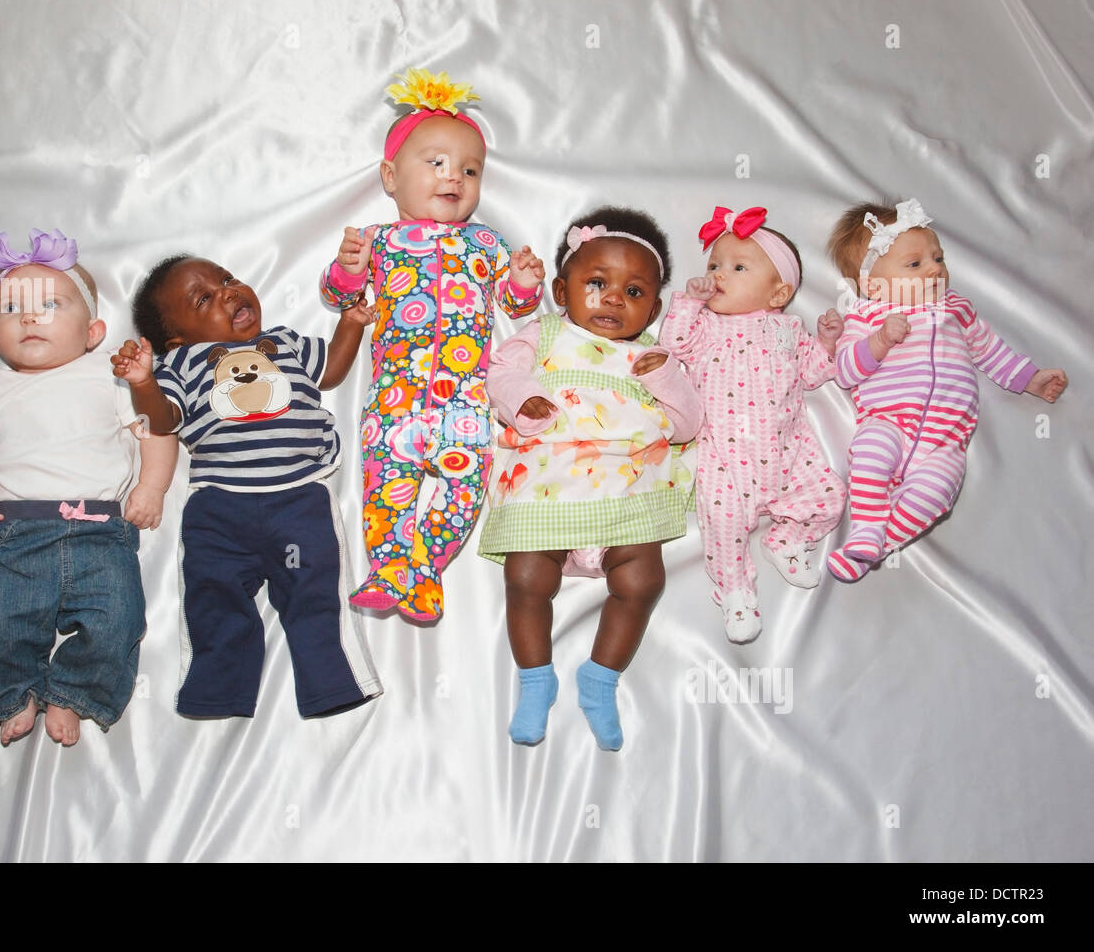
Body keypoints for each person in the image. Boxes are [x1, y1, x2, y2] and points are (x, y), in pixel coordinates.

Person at [112, 255, 382, 719]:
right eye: (205, 299)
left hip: (299, 497)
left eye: (228, 279)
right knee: (212, 595)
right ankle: (218, 689)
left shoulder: (283, 343)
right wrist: (143, 383)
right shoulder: (180, 365)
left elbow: (332, 371)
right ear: (177, 338)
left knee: (315, 591)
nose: (229, 292)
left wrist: (352, 323)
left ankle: (332, 682)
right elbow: (163, 421)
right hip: (220, 508)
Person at [319, 68, 545, 621]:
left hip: (465, 407)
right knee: (385, 490)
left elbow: (515, 308)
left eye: (470, 169)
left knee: (466, 490)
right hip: (394, 402)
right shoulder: (379, 240)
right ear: (390, 177)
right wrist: (349, 269)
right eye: (436, 163)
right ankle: (390, 568)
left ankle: (422, 570)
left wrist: (522, 281)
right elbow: (335, 290)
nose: (454, 178)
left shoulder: (485, 242)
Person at [0, 229, 178, 746]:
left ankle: (73, 690)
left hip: (98, 532)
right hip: (13, 536)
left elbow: (158, 430)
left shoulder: (109, 375)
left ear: (93, 331)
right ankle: (12, 694)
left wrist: (151, 488)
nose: (29, 317)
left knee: (118, 619)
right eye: (11, 309)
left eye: (50, 304)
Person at [479, 207, 701, 750]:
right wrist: (522, 400)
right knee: (527, 578)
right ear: (561, 288)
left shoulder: (651, 356)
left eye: (634, 292)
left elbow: (688, 424)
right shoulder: (545, 334)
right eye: (597, 283)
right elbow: (500, 375)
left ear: (653, 307)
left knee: (643, 580)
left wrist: (668, 376)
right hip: (548, 492)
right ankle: (536, 680)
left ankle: (601, 678)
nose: (612, 299)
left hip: (625, 496)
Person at [825, 199, 1067, 581]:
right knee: (870, 452)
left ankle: (874, 548)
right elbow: (845, 371)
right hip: (889, 421)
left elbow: (991, 351)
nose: (936, 267)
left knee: (938, 494)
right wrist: (881, 341)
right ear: (874, 283)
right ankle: (867, 525)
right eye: (916, 263)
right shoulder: (866, 316)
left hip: (946, 439)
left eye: (938, 258)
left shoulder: (958, 309)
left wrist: (1030, 379)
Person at [661, 207, 845, 642]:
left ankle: (786, 539)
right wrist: (689, 300)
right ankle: (736, 593)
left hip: (788, 454)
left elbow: (812, 372)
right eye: (714, 265)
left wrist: (828, 342)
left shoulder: (787, 329)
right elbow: (674, 342)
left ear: (779, 293)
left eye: (738, 267)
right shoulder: (705, 326)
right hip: (726, 459)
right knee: (721, 521)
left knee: (831, 496)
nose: (720, 275)